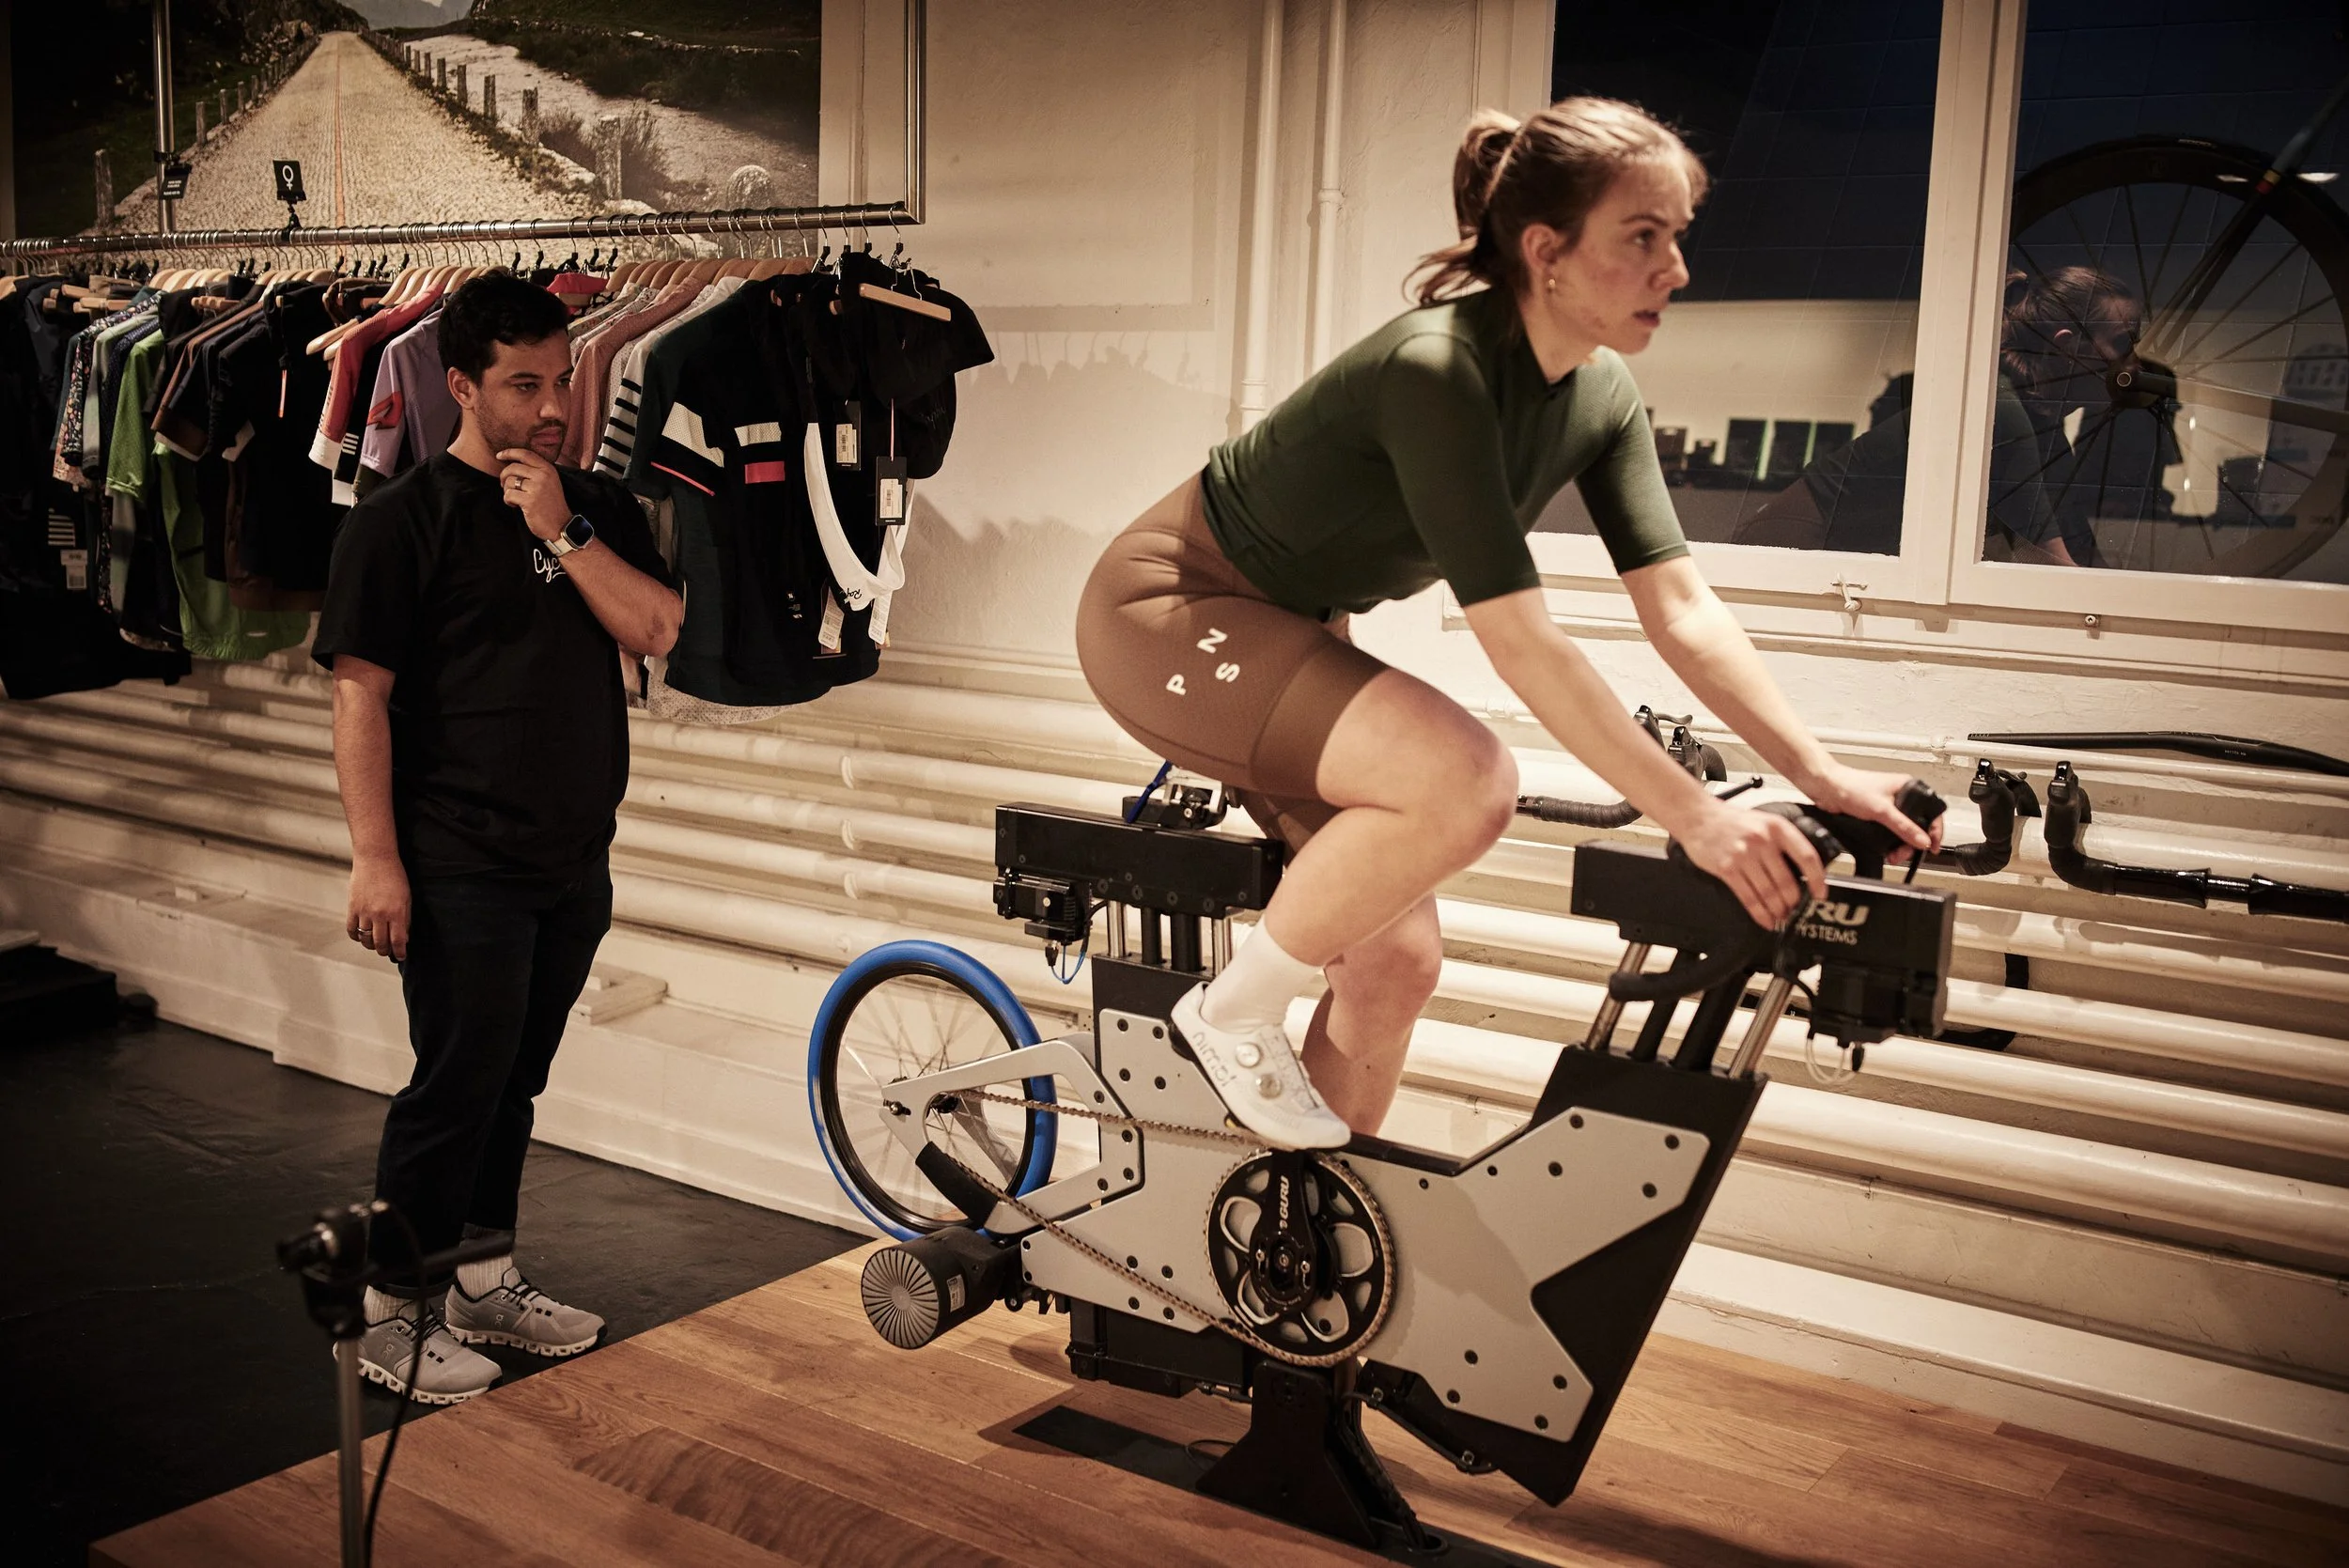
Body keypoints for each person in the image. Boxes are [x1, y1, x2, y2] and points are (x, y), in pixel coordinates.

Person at [1076, 100, 1942, 1151]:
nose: (1676, 268)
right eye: (1642, 236)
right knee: (1466, 776)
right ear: (1547, 252)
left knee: (1393, 964)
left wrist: (1823, 777)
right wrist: (1697, 818)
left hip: (1288, 629)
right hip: (1173, 612)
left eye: (1678, 236)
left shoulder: (1599, 392)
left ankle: (1291, 1256)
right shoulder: (1437, 369)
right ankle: (1230, 1015)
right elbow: (1521, 639)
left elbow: (1681, 609)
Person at [315, 273, 683, 1403]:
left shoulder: (593, 509)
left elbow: (657, 627)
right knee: (455, 1081)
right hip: (455, 857)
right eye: (523, 385)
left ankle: (479, 1278)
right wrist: (376, 857)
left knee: (515, 1078)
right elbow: (358, 698)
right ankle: (391, 1312)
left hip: (572, 854)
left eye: (561, 380)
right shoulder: (397, 523)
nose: (553, 406)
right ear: (462, 383)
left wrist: (561, 527)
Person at [1735, 265, 2162, 566]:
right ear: (2068, 346)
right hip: (1790, 548)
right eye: (2124, 343)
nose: (2135, 365)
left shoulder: (2038, 421)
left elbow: (2075, 543)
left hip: (1834, 554)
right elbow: (2055, 563)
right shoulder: (2000, 410)